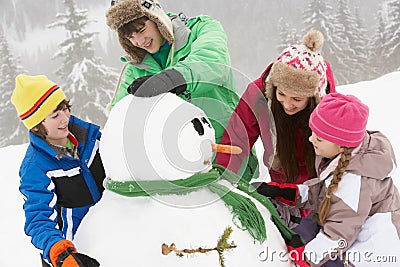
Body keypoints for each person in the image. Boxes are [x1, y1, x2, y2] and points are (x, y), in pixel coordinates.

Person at [216, 29, 336, 243]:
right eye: (281, 94)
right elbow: (237, 138)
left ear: (313, 97)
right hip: (282, 172)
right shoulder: (258, 94)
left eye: (297, 99)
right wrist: (222, 179)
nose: (288, 104)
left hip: (317, 178)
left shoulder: (327, 103)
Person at [254, 93, 400, 266]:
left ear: (341, 145)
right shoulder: (345, 155)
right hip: (352, 228)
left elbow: (339, 234)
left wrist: (306, 256)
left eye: (319, 138)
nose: (311, 139)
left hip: (371, 253)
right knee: (306, 228)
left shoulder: (355, 182)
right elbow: (330, 192)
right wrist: (291, 193)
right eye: (313, 133)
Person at [105, 0, 240, 146]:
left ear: (157, 18)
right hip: (179, 158)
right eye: (130, 37)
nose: (139, 41)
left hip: (227, 146)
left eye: (141, 30)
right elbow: (120, 114)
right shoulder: (136, 68)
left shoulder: (201, 29)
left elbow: (213, 64)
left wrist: (171, 80)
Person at [11, 74, 104, 267]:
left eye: (64, 109)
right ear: (37, 127)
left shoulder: (90, 138)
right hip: (74, 253)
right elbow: (38, 218)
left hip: (109, 234)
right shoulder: (36, 167)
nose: (65, 118)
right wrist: (60, 253)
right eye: (55, 115)